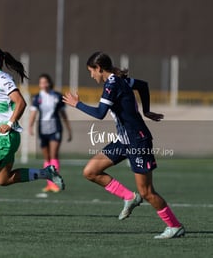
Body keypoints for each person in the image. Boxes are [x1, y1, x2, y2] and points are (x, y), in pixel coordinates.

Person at [63, 52, 184, 239]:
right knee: (91, 171)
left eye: (91, 71)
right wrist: (146, 110)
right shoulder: (121, 81)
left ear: (99, 68)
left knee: (147, 191)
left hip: (137, 141)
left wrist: (77, 104)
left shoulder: (112, 85)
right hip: (123, 140)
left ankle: (174, 226)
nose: (91, 75)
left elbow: (99, 113)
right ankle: (129, 197)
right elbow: (143, 85)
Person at [0, 46, 65, 232]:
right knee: (4, 179)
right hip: (3, 137)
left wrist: (10, 124)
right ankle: (46, 173)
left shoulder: (3, 79)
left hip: (5, 137)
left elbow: (21, 102)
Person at [29, 74, 72, 193]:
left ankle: (55, 183)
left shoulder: (57, 96)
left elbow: (63, 114)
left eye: (45, 82)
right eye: (41, 82)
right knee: (46, 157)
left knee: (53, 155)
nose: (43, 84)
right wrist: (30, 126)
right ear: (39, 84)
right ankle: (49, 184)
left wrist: (69, 129)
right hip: (42, 130)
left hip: (55, 128)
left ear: (49, 83)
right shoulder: (37, 97)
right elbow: (33, 113)